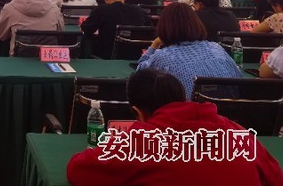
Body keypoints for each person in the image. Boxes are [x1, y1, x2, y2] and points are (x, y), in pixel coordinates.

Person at [67, 69, 283, 186]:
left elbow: (78, 170)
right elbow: (275, 178)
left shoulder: (140, 141)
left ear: (138, 113)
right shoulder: (237, 132)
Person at [137, 2, 241, 98]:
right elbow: (239, 78)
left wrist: (155, 45)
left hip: (189, 111)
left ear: (164, 27)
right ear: (196, 23)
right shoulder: (216, 48)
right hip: (230, 110)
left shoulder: (163, 57)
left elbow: (139, 76)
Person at [81, 0, 152, 59]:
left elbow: (86, 29)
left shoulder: (101, 10)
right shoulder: (140, 11)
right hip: (136, 59)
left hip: (105, 58)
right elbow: (149, 31)